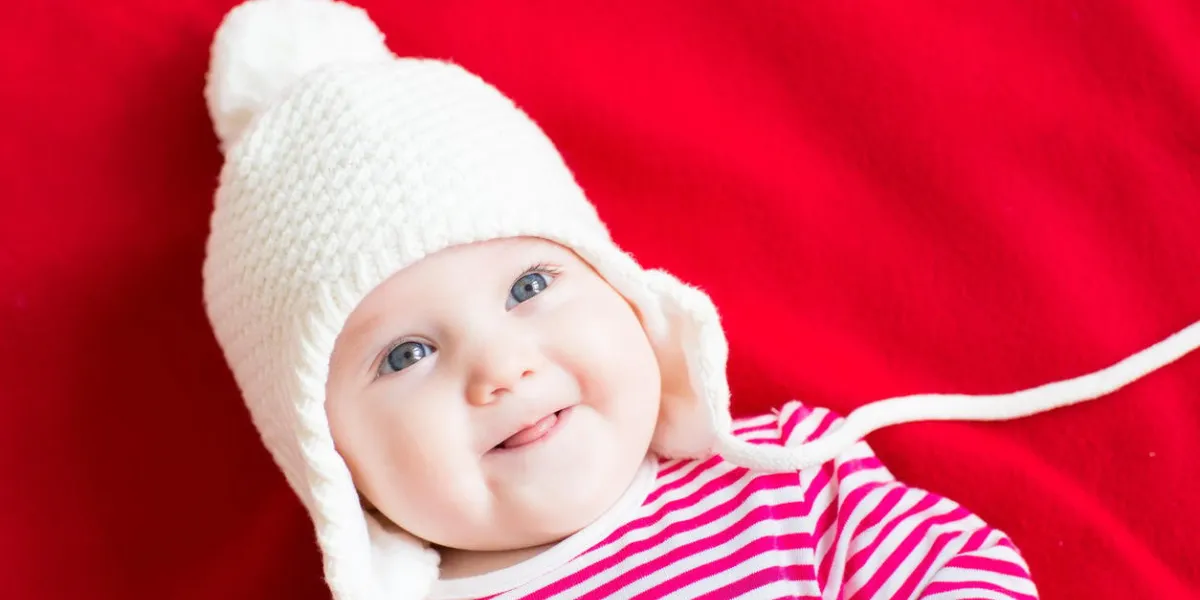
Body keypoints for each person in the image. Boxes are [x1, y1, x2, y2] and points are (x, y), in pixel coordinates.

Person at [200, 1, 1199, 598]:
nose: (500, 367)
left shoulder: (781, 479)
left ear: (629, 298)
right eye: (405, 355)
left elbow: (955, 565)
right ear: (325, 458)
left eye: (531, 285)